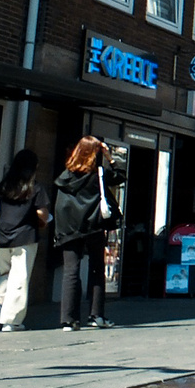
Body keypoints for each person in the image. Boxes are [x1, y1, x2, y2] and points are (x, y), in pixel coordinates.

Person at [54, 136, 125, 331]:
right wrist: (110, 157)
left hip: (69, 227)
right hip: (93, 225)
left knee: (71, 271)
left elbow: (60, 206)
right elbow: (120, 175)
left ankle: (68, 319)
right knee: (96, 268)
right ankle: (96, 315)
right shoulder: (99, 174)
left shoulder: (66, 175)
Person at [0, 149, 50, 332]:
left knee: (4, 275)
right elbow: (42, 214)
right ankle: (11, 320)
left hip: (2, 237)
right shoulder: (35, 188)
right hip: (25, 237)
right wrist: (42, 218)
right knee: (19, 278)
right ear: (34, 167)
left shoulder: (2, 186)